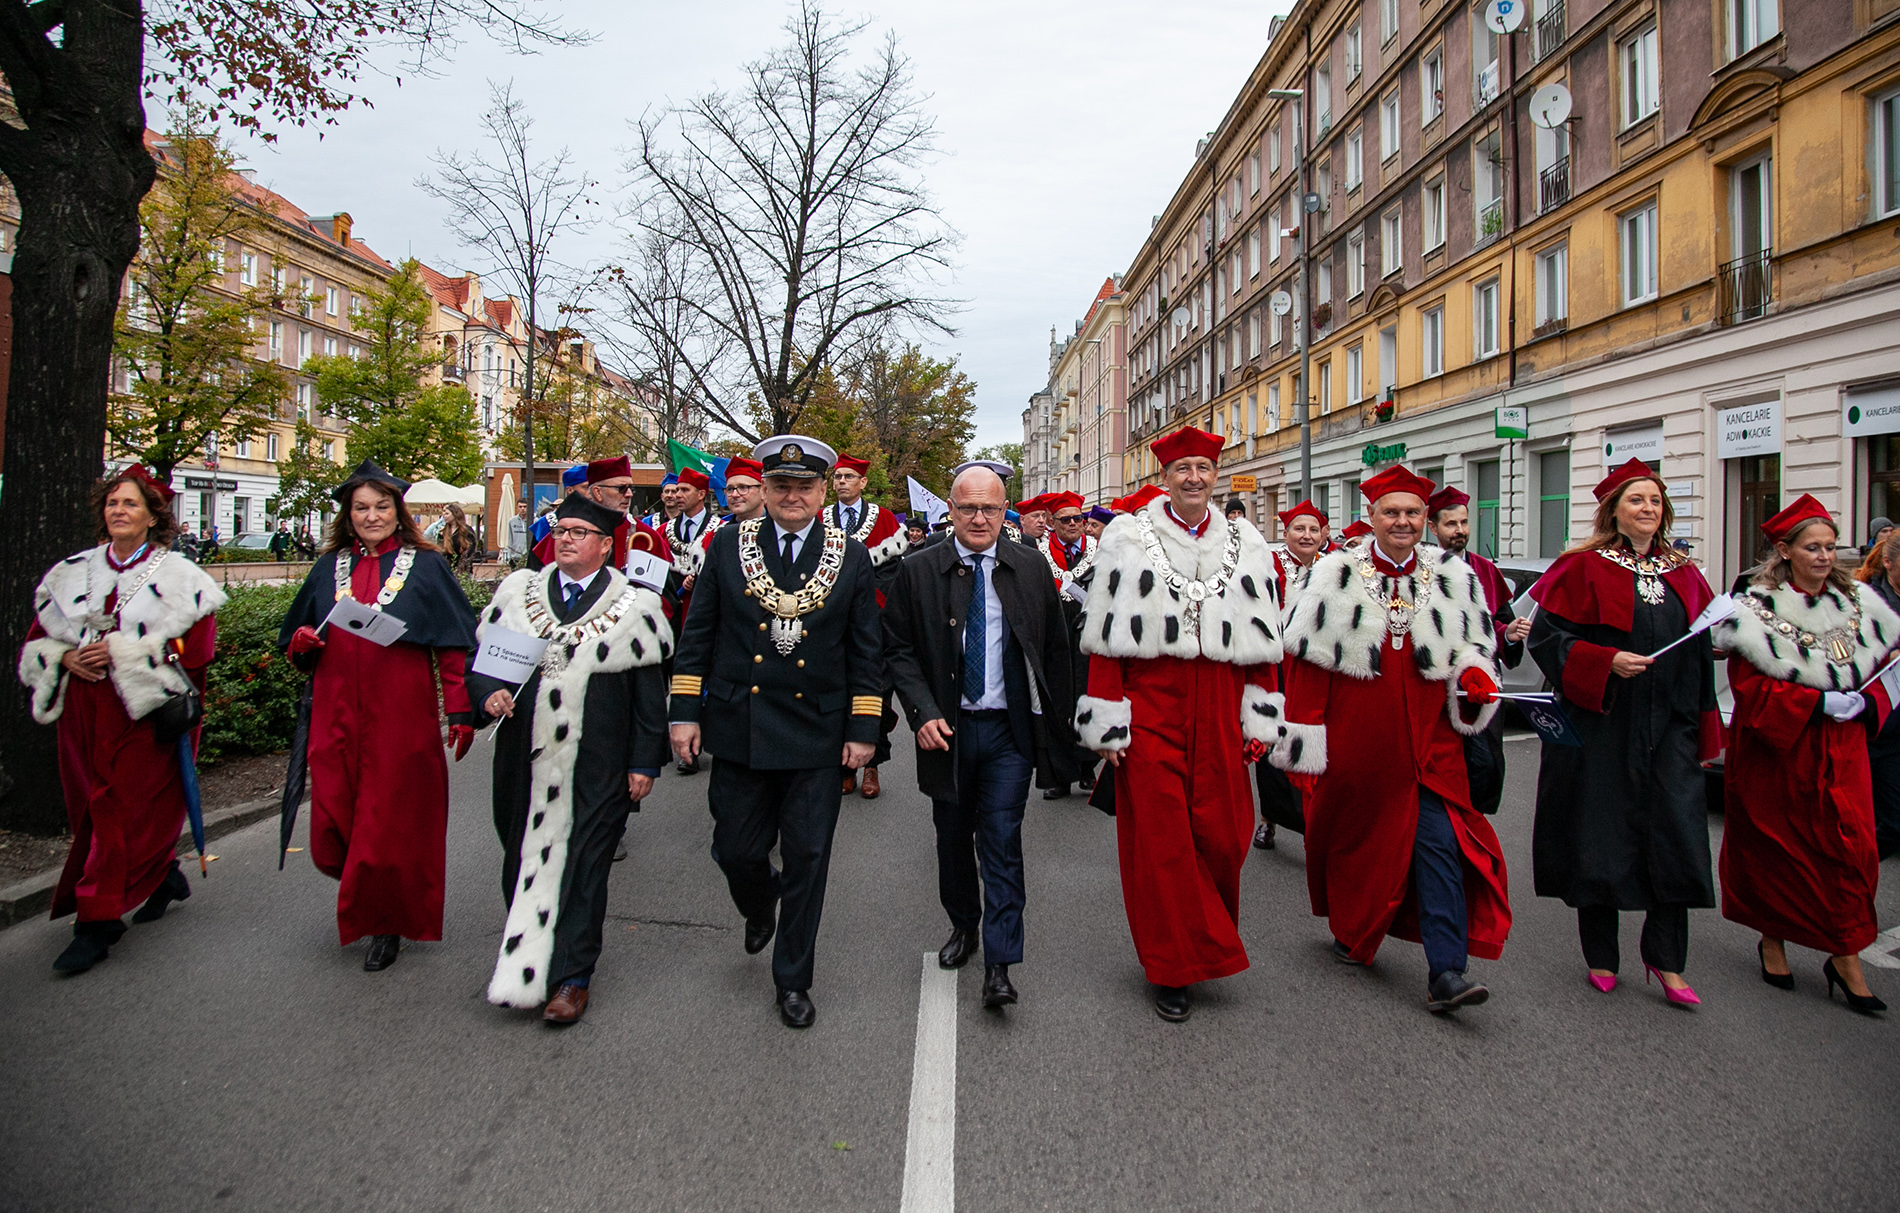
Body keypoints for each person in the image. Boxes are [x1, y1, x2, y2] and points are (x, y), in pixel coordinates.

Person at [1274, 465, 1508, 1015]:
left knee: (1441, 843)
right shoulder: (1332, 575)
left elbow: (1476, 652)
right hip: (1358, 745)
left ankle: (1446, 971)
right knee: (1360, 847)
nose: (1403, 522)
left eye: (1412, 513)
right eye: (1391, 512)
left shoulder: (1455, 576)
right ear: (1372, 517)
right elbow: (1305, 670)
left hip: (1433, 744)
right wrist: (1303, 747)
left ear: (1425, 519)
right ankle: (1354, 928)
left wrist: (1476, 678)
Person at [668, 434, 885, 1028]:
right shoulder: (728, 547)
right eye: (781, 486)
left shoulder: (852, 555)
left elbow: (867, 651)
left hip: (817, 730)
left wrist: (865, 727)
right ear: (763, 490)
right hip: (742, 725)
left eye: (805, 486)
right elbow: (698, 635)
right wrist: (684, 711)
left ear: (821, 493)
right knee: (736, 848)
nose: (793, 496)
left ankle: (793, 979)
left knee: (810, 857)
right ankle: (760, 902)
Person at [1075, 426, 1284, 1022]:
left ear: (1216, 475)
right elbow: (1104, 644)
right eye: (1182, 468)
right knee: (1162, 842)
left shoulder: (1247, 541)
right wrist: (1108, 722)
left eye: (1204, 468)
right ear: (1163, 476)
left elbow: (1264, 640)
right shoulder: (1127, 538)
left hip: (1220, 708)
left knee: (1224, 832)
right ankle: (1171, 966)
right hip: (1152, 711)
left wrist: (1260, 712)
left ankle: (1203, 940)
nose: (1194, 477)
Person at [466, 491, 672, 1023]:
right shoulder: (518, 594)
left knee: (584, 868)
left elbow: (651, 700)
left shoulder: (636, 608)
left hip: (598, 763)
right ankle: (527, 961)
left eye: (579, 533)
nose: (565, 539)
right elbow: (483, 664)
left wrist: (644, 763)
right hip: (524, 762)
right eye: (560, 530)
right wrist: (487, 693)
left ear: (606, 546)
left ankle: (571, 979)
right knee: (520, 860)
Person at [883, 464, 1077, 1008]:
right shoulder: (919, 571)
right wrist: (920, 712)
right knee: (952, 839)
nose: (978, 518)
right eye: (968, 507)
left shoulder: (1029, 567)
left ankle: (1000, 962)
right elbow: (895, 647)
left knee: (1001, 841)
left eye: (990, 508)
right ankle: (964, 925)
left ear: (1004, 510)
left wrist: (1062, 730)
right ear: (950, 509)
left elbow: (1056, 652)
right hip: (946, 732)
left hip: (1007, 734)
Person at [1526, 459, 1718, 1006]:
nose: (1648, 509)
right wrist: (1603, 661)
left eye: (1655, 501)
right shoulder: (1582, 568)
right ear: (1614, 510)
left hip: (1670, 730)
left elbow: (1700, 654)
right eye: (1637, 500)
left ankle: (1667, 962)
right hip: (1604, 726)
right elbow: (1547, 640)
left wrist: (1703, 732)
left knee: (1676, 840)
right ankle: (1602, 955)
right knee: (1601, 837)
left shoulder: (1685, 571)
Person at [19, 466, 224, 973]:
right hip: (84, 713)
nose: (118, 511)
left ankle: (96, 922)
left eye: (130, 504)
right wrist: (65, 658)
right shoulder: (71, 572)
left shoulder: (179, 576)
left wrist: (123, 654)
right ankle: (162, 875)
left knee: (119, 808)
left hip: (145, 714)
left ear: (154, 515)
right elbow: (37, 641)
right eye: (112, 503)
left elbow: (195, 650)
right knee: (91, 806)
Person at [277, 461, 480, 971]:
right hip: (335, 710)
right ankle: (367, 891)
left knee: (387, 818)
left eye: (382, 506)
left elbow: (454, 645)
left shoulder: (428, 565)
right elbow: (299, 637)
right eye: (361, 507)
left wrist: (460, 710)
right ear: (348, 514)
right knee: (335, 812)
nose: (372, 516)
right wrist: (302, 644)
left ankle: (386, 920)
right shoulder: (328, 567)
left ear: (398, 511)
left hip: (400, 714)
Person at [1714, 495, 1895, 1014]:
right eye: (1812, 547)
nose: (1823, 556)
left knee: (1851, 851)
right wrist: (1813, 702)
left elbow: (1892, 670)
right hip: (1782, 753)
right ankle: (1773, 938)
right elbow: (1748, 687)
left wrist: (1867, 700)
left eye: (1830, 546)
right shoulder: (1756, 608)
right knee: (1779, 849)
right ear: (1785, 551)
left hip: (1844, 752)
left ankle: (1846, 954)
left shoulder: (1862, 605)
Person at [1428, 486, 1531, 817]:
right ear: (1433, 527)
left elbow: (1501, 625)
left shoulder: (1487, 570)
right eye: (1451, 524)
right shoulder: (1422, 569)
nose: (1460, 531)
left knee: (1484, 763)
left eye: (1464, 523)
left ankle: (1474, 821)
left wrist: (1511, 635)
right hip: (1439, 683)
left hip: (1481, 684)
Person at [827, 451, 910, 799]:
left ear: (862, 483)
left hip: (874, 622)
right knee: (838, 692)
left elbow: (893, 573)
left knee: (876, 692)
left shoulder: (885, 519)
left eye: (848, 477)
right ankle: (844, 766)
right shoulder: (820, 518)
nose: (841, 482)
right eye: (837, 477)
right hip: (831, 623)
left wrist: (870, 605)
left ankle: (872, 764)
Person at [1252, 499, 1330, 851]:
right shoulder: (1271, 565)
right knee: (1274, 740)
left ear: (1324, 534)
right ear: (1286, 534)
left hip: (1318, 666)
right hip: (1279, 663)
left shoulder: (1335, 568)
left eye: (1314, 529)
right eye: (1300, 529)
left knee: (1315, 740)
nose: (1307, 535)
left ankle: (1316, 817)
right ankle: (1269, 818)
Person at [1029, 491, 1096, 800]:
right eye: (1065, 519)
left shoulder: (1099, 551)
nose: (1073, 524)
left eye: (1078, 519)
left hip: (1088, 635)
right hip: (1054, 636)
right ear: (1052, 523)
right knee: (1057, 702)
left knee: (1087, 698)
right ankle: (1059, 775)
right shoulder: (1038, 553)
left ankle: (1086, 768)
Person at [1865, 531, 1900, 858]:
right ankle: (1851, 871)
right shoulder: (1869, 602)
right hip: (1884, 731)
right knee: (1891, 825)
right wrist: (1884, 657)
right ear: (1888, 562)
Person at [439, 503, 479, 575]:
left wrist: (461, 566)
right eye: (443, 513)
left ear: (455, 514)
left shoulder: (467, 531)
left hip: (463, 570)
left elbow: (471, 550)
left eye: (447, 513)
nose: (444, 516)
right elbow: (441, 550)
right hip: (448, 570)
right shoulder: (444, 532)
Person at [503, 499, 531, 564]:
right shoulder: (512, 521)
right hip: (515, 557)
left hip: (528, 557)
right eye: (520, 507)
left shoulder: (534, 520)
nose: (522, 509)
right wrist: (509, 556)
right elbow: (510, 539)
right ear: (517, 508)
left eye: (525, 506)